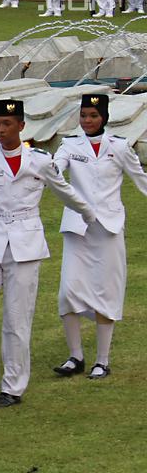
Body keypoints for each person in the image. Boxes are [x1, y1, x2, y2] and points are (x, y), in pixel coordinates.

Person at [0, 100, 94, 408]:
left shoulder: (39, 160)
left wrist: (89, 214)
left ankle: (12, 387)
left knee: (17, 320)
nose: (0, 130)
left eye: (7, 124)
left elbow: (64, 191)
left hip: (25, 246)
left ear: (21, 126)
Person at [52, 94, 147, 380]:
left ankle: (102, 361)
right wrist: (46, 166)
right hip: (78, 228)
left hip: (108, 229)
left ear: (103, 117)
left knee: (106, 292)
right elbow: (56, 167)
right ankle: (75, 356)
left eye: (93, 115)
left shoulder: (118, 147)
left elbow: (140, 179)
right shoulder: (69, 144)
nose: (88, 121)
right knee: (68, 291)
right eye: (84, 115)